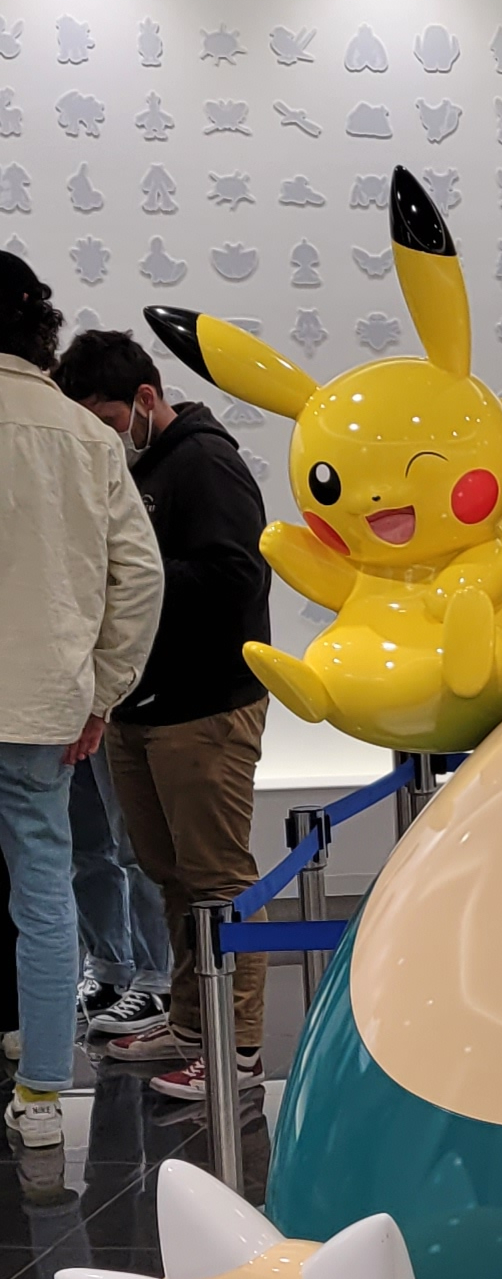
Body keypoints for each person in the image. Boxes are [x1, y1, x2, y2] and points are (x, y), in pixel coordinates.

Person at [58, 327, 272, 1107]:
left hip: (205, 707)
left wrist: (133, 575)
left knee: (217, 879)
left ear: (146, 399)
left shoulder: (205, 463)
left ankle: (238, 1047)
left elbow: (237, 577)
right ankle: (190, 1023)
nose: (105, 439)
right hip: (139, 705)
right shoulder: (134, 469)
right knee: (168, 874)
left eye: (109, 421)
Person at [0, 259, 164, 1150]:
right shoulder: (85, 435)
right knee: (44, 891)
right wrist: (103, 693)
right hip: (43, 705)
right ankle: (40, 1093)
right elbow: (139, 577)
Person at [69, 741, 171, 1039]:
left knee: (137, 847)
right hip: (67, 718)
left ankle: (156, 983)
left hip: (119, 720)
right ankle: (109, 976)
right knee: (86, 849)